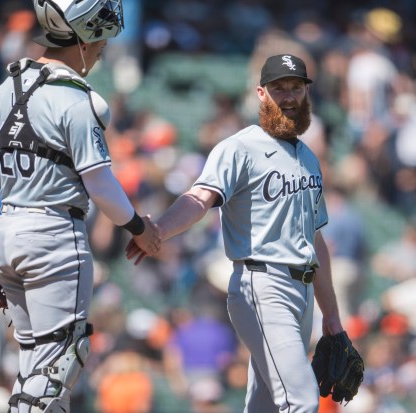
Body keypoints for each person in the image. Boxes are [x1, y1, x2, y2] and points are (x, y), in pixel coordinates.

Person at [0, 1, 160, 412]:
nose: (104, 46)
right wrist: (140, 227)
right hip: (53, 236)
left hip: (6, 234)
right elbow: (102, 186)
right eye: (101, 37)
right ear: (84, 39)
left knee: (33, 365)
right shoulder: (77, 101)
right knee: (57, 368)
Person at [128, 54, 346, 412]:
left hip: (302, 292)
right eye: (279, 88)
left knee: (265, 404)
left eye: (296, 87)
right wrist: (160, 230)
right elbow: (200, 198)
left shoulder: (309, 158)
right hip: (262, 284)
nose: (289, 97)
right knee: (303, 400)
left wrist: (332, 317)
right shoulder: (238, 148)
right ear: (261, 93)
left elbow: (315, 241)